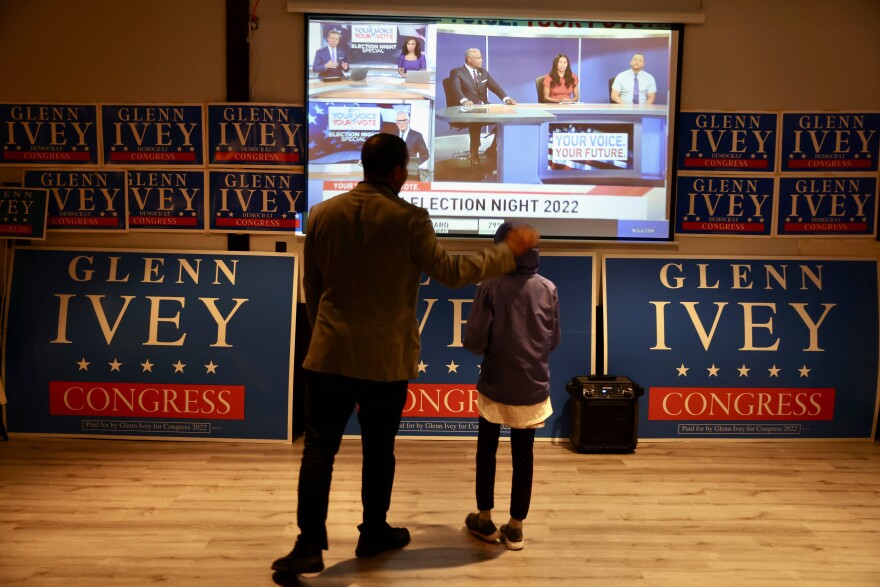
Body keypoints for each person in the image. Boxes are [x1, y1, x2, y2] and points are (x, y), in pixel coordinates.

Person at [271, 134, 539, 576]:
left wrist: (328, 334)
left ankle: (308, 545)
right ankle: (373, 533)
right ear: (398, 172)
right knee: (379, 450)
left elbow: (313, 289)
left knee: (319, 450)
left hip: (329, 354)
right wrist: (507, 253)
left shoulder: (321, 214)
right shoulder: (410, 219)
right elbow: (452, 273)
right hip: (386, 359)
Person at [461, 221, 560, 552]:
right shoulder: (548, 288)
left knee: (486, 450)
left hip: (495, 383)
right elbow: (553, 340)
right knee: (525, 455)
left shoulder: (490, 285)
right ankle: (516, 527)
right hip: (532, 387)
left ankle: (485, 520)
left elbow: (474, 340)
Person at [449, 48, 517, 167]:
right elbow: (456, 88)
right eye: (478, 58)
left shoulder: (483, 72)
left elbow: (494, 86)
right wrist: (464, 100)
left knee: (504, 118)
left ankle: (492, 148)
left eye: (481, 57)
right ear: (469, 59)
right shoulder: (457, 72)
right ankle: (474, 153)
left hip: (484, 106)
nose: (481, 60)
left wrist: (506, 98)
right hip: (468, 110)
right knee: (476, 122)